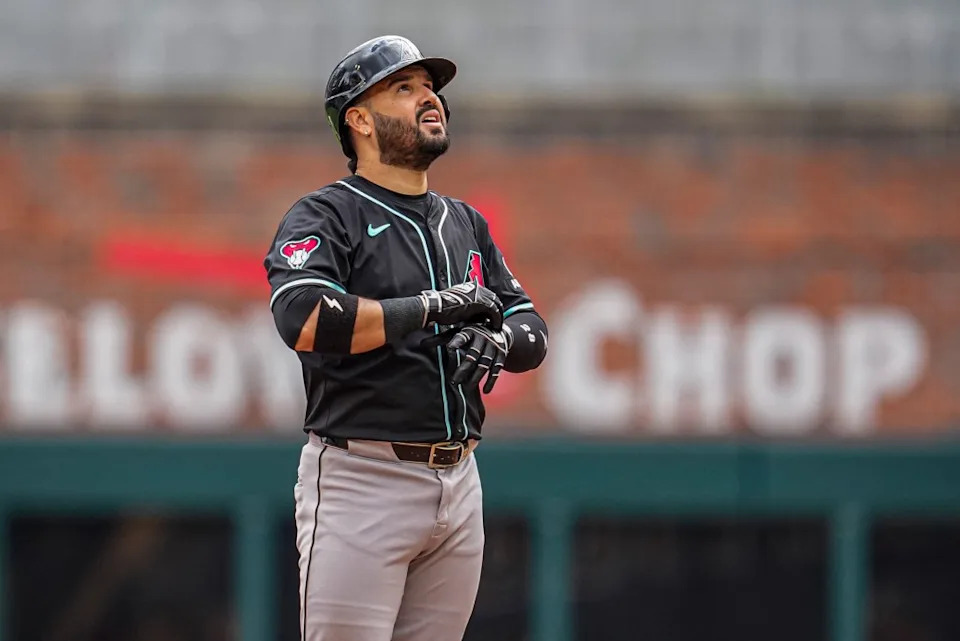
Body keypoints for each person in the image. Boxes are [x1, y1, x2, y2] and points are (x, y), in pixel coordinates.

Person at [263, 35, 549, 641]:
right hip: (362, 478)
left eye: (431, 87)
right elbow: (304, 319)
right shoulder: (325, 216)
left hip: (459, 479)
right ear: (359, 120)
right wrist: (428, 308)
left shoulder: (464, 222)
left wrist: (499, 342)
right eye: (405, 87)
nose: (430, 98)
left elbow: (530, 325)